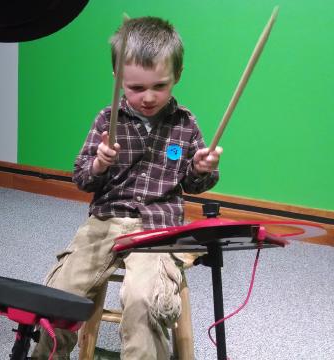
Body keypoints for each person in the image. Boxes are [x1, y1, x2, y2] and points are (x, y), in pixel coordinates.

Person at [31, 16, 223, 359]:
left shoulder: (186, 124)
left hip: (158, 226)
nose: (148, 97)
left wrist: (201, 168)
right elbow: (82, 179)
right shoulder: (107, 120)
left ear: (176, 76)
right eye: (135, 88)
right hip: (105, 220)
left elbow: (195, 186)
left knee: (144, 302)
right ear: (118, 80)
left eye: (159, 86)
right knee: (59, 295)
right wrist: (99, 165)